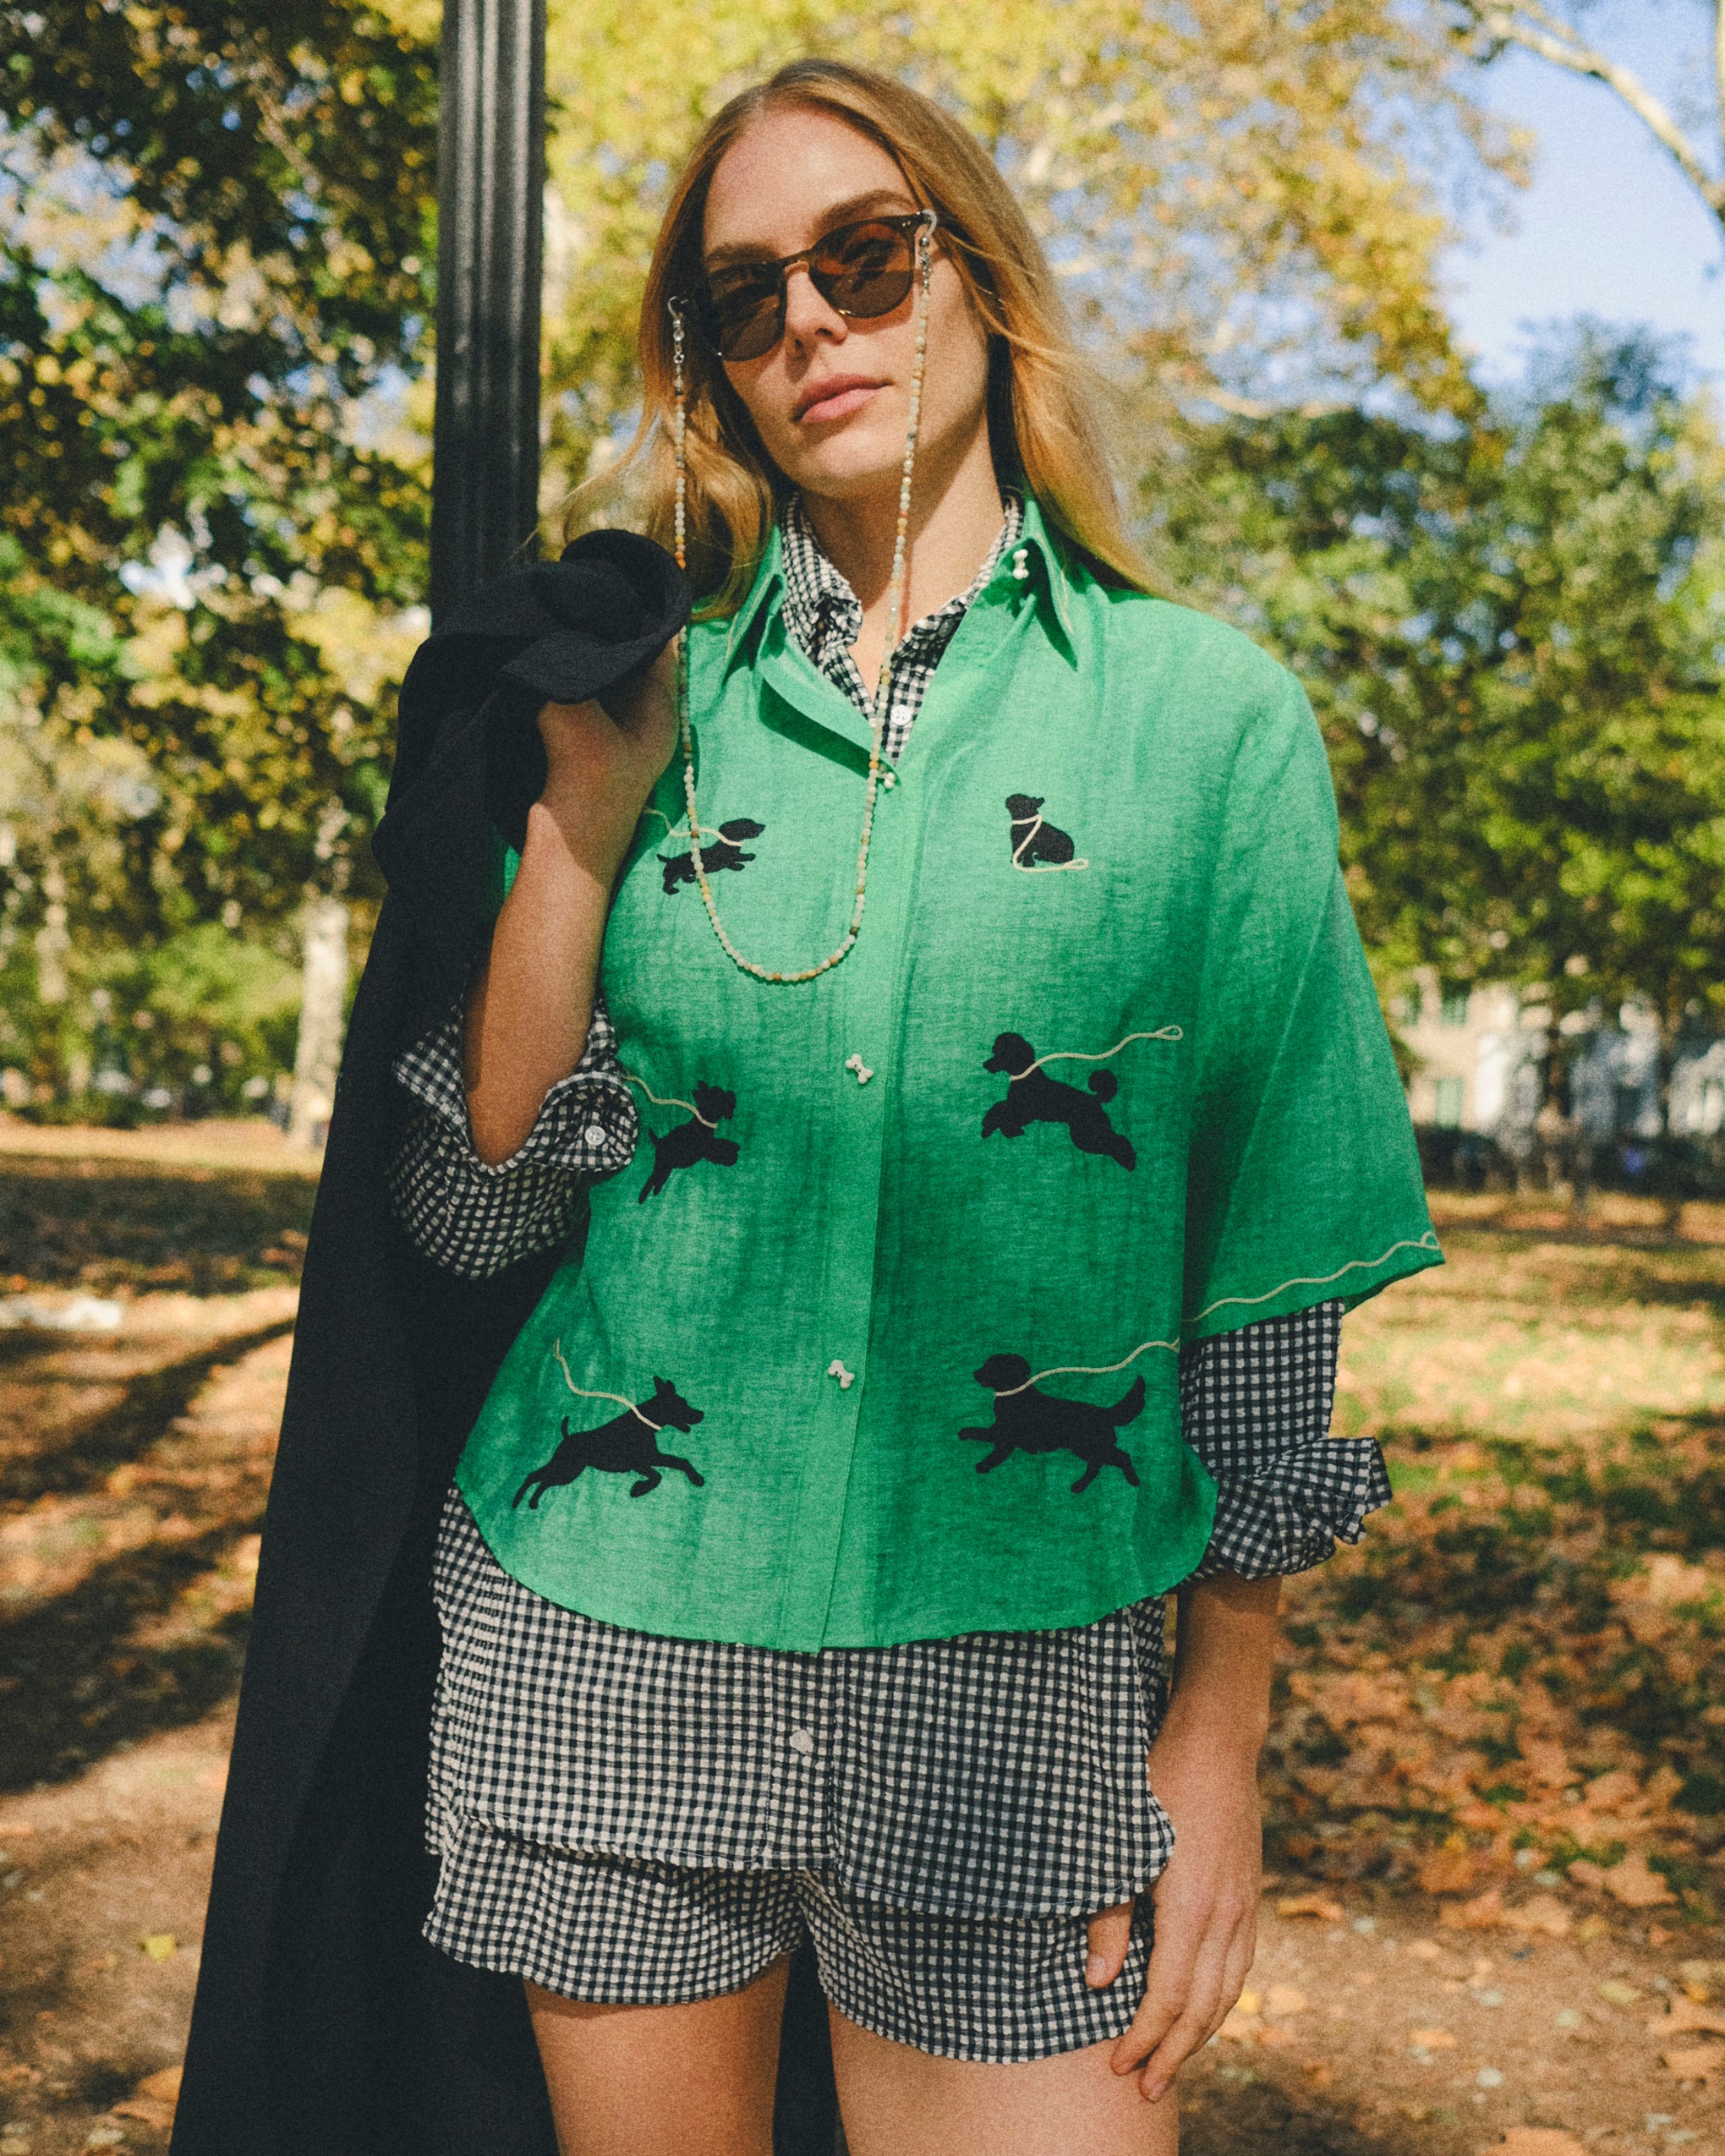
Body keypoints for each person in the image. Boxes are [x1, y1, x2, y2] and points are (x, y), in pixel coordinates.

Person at [375, 56, 1440, 2156]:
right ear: (708, 367)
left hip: (1015, 1670)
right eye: (741, 299)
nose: (811, 331)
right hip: (612, 1638)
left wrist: (1219, 1737)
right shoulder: (623, 691)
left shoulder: (1203, 723)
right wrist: (579, 844)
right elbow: (477, 1217)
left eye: (862, 260)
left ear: (977, 271)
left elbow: (1267, 1259)